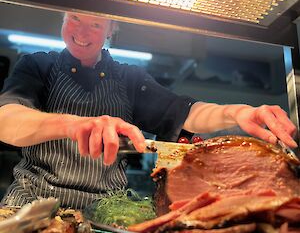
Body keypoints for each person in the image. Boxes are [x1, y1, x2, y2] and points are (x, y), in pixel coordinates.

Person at [0, 12, 297, 209]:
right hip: (29, 205)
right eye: (75, 18)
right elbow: (7, 120)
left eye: (95, 24)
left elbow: (187, 112)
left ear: (112, 29)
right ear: (63, 17)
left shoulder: (130, 78)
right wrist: (72, 125)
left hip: (103, 214)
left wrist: (235, 112)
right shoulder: (38, 65)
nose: (81, 31)